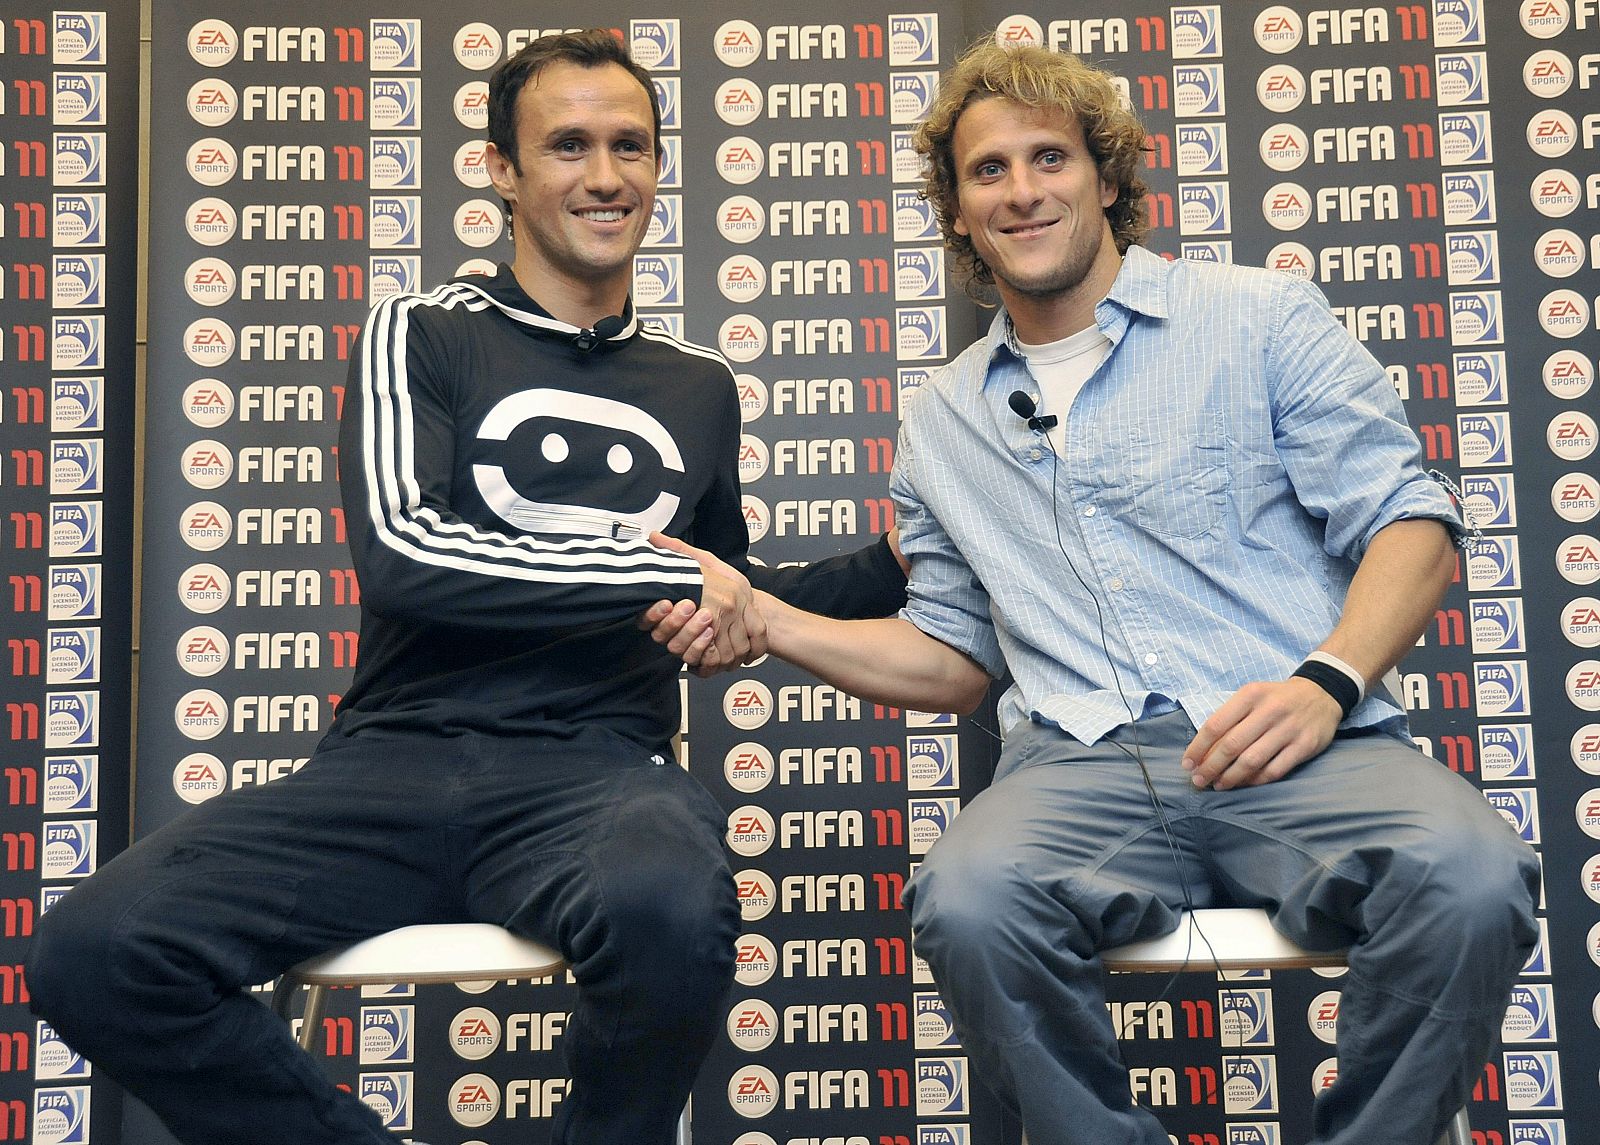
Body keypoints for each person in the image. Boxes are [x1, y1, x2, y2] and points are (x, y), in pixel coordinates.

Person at [26, 31, 905, 1145]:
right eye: (568, 145)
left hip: (595, 775)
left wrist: (894, 562)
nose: (604, 175)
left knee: (667, 905)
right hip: (391, 762)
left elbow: (732, 584)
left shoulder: (698, 384)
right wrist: (654, 571)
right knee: (95, 950)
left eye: (630, 145)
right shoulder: (423, 332)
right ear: (501, 169)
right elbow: (410, 554)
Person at [655, 38, 1539, 1145]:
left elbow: (1410, 521)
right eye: (988, 172)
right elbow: (956, 655)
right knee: (970, 898)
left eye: (1048, 158)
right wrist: (768, 617)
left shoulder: (1258, 318)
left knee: (1470, 874)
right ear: (960, 210)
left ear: (1106, 176)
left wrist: (1326, 679)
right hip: (1075, 763)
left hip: (1303, 739)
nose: (1022, 191)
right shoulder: (941, 418)